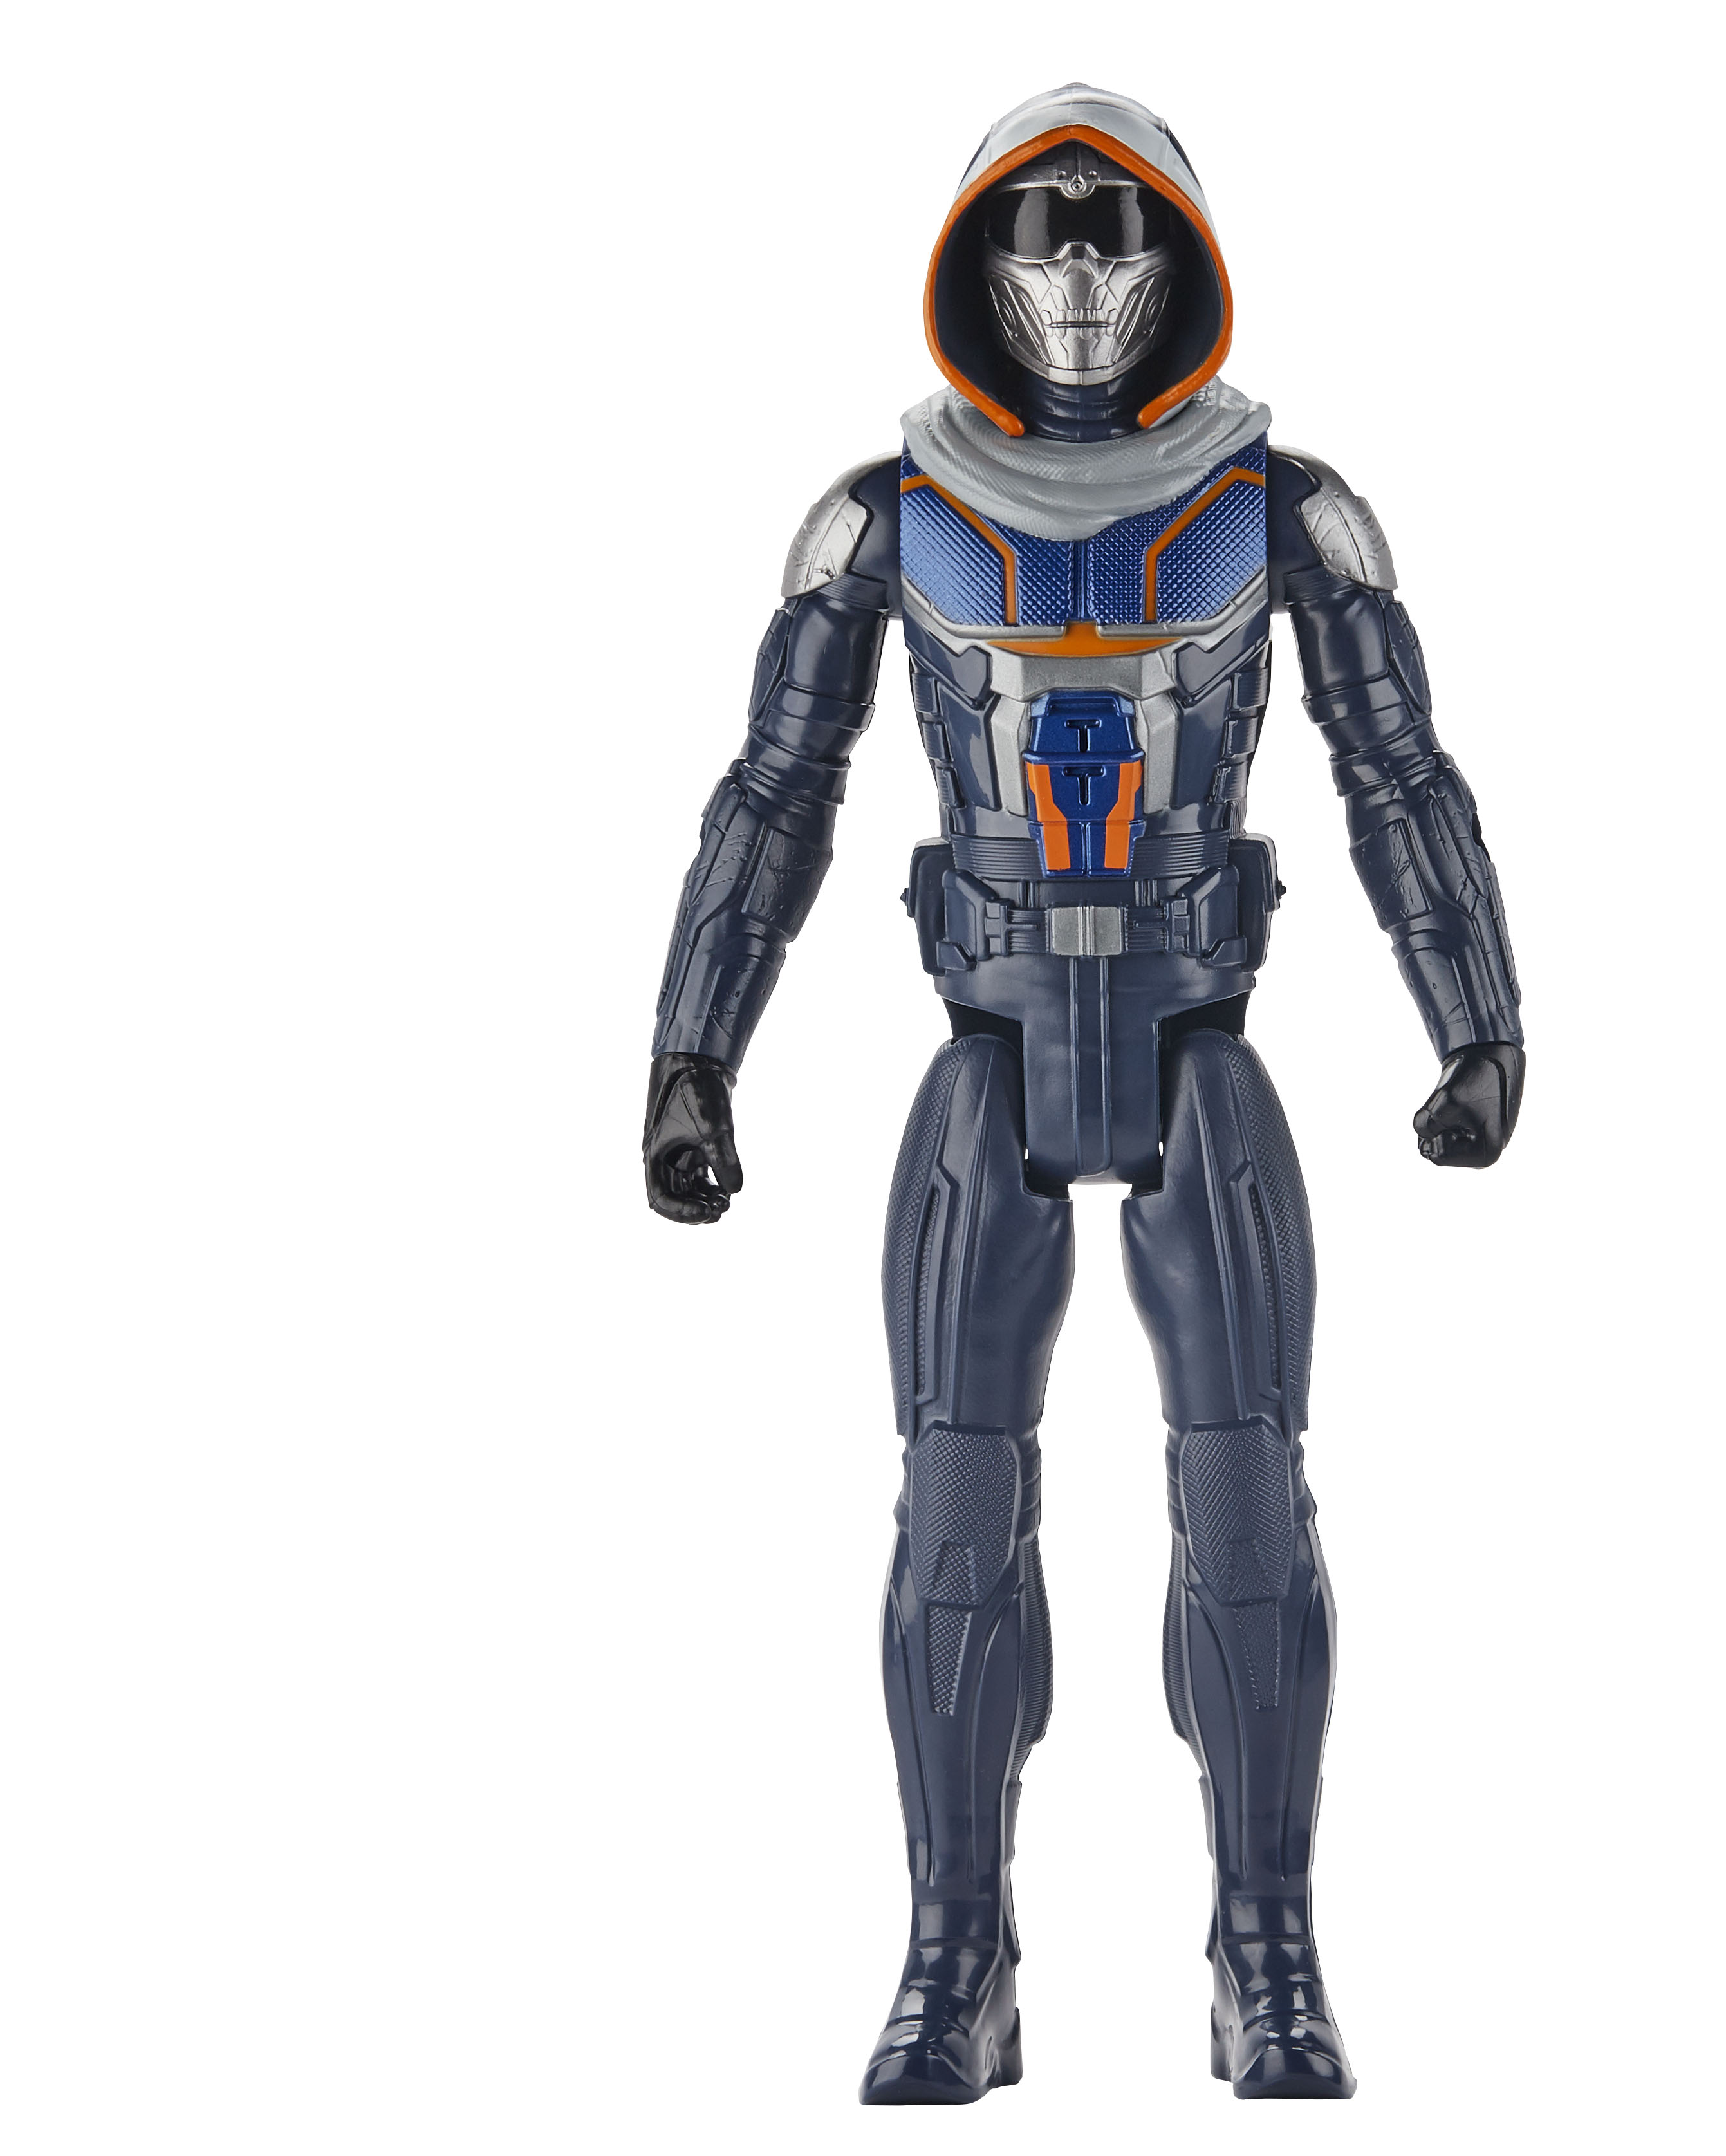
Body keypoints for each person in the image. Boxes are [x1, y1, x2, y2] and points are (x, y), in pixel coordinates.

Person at [642, 83, 1526, 2104]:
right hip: (988, 1060)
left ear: (1174, 260)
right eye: (1036, 230)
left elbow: (1402, 777)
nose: (1071, 274)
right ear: (978, 261)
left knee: (1249, 1517)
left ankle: (1267, 1949)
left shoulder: (1284, 508)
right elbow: (772, 797)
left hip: (1207, 1052)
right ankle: (957, 1955)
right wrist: (694, 1051)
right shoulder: (887, 515)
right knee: (956, 1528)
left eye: (1109, 230)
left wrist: (1473, 1018)